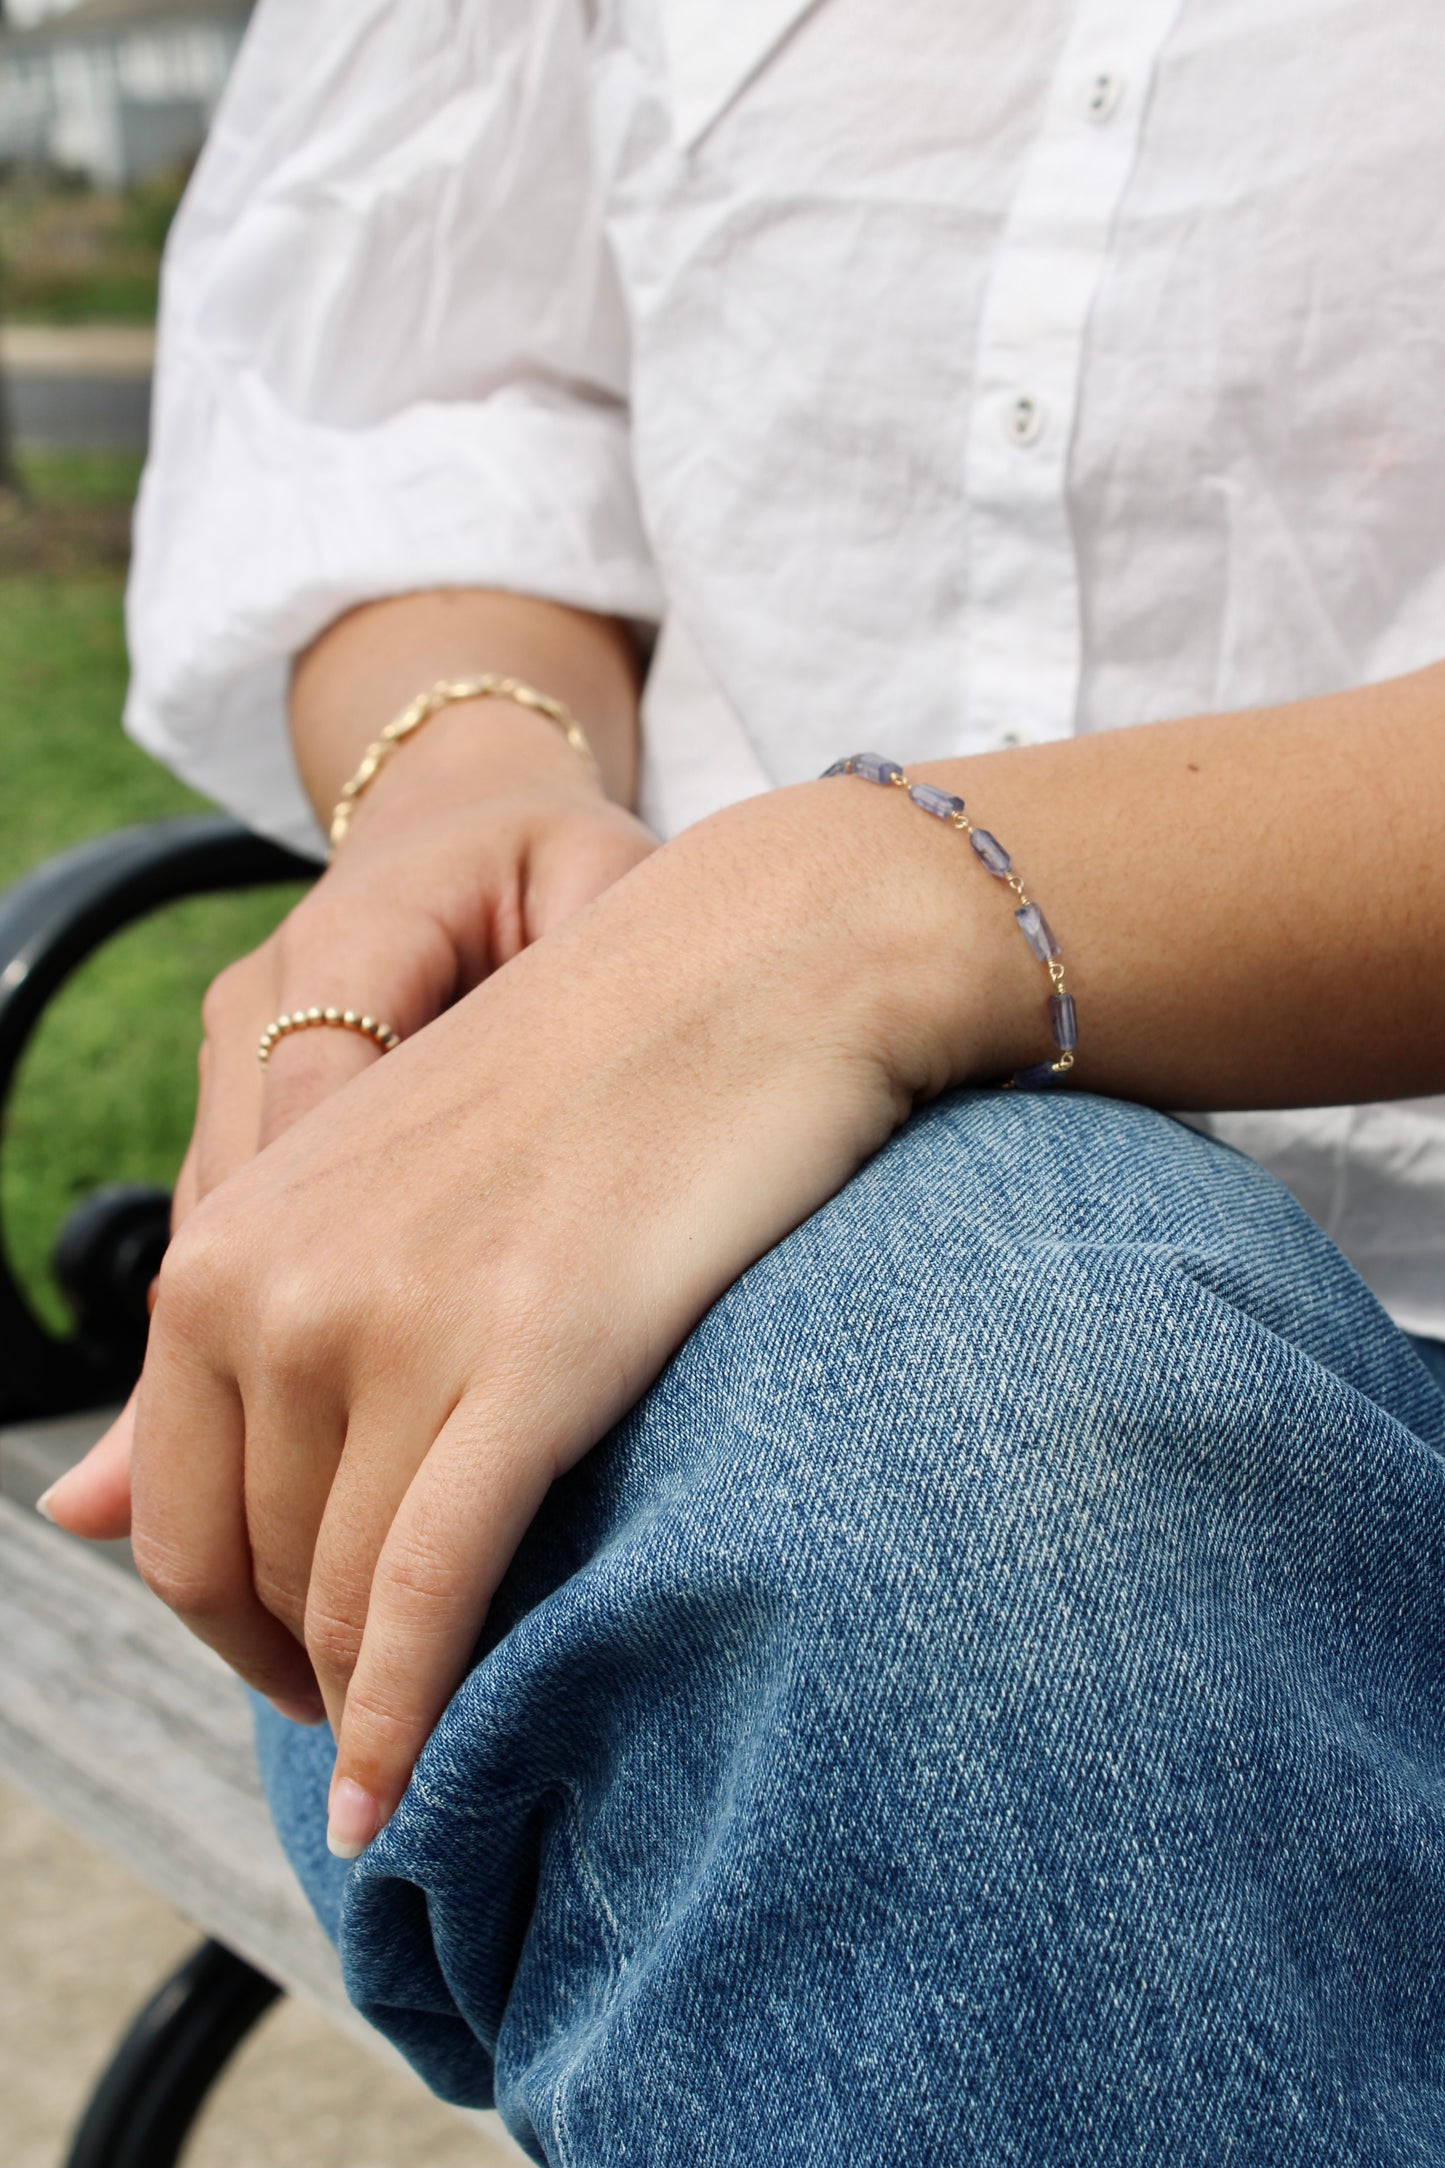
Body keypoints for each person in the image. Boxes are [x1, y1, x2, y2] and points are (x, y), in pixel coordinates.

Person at [40, 1, 1445, 2158]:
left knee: (976, 1429)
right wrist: (475, 781)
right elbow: (448, 385)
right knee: (953, 1427)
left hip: (995, 1355)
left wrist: (869, 912)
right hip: (655, 1324)